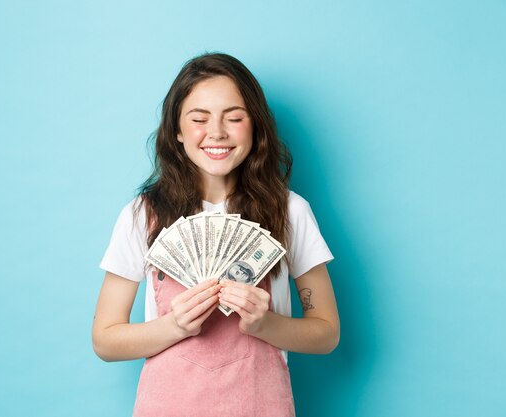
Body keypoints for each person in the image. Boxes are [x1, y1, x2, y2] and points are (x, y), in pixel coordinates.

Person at [92, 52, 340, 417]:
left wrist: (265, 323)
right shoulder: (142, 215)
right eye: (199, 119)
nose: (217, 133)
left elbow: (326, 334)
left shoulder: (290, 212)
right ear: (177, 130)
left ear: (255, 127)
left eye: (235, 117)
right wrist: (174, 326)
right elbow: (105, 340)